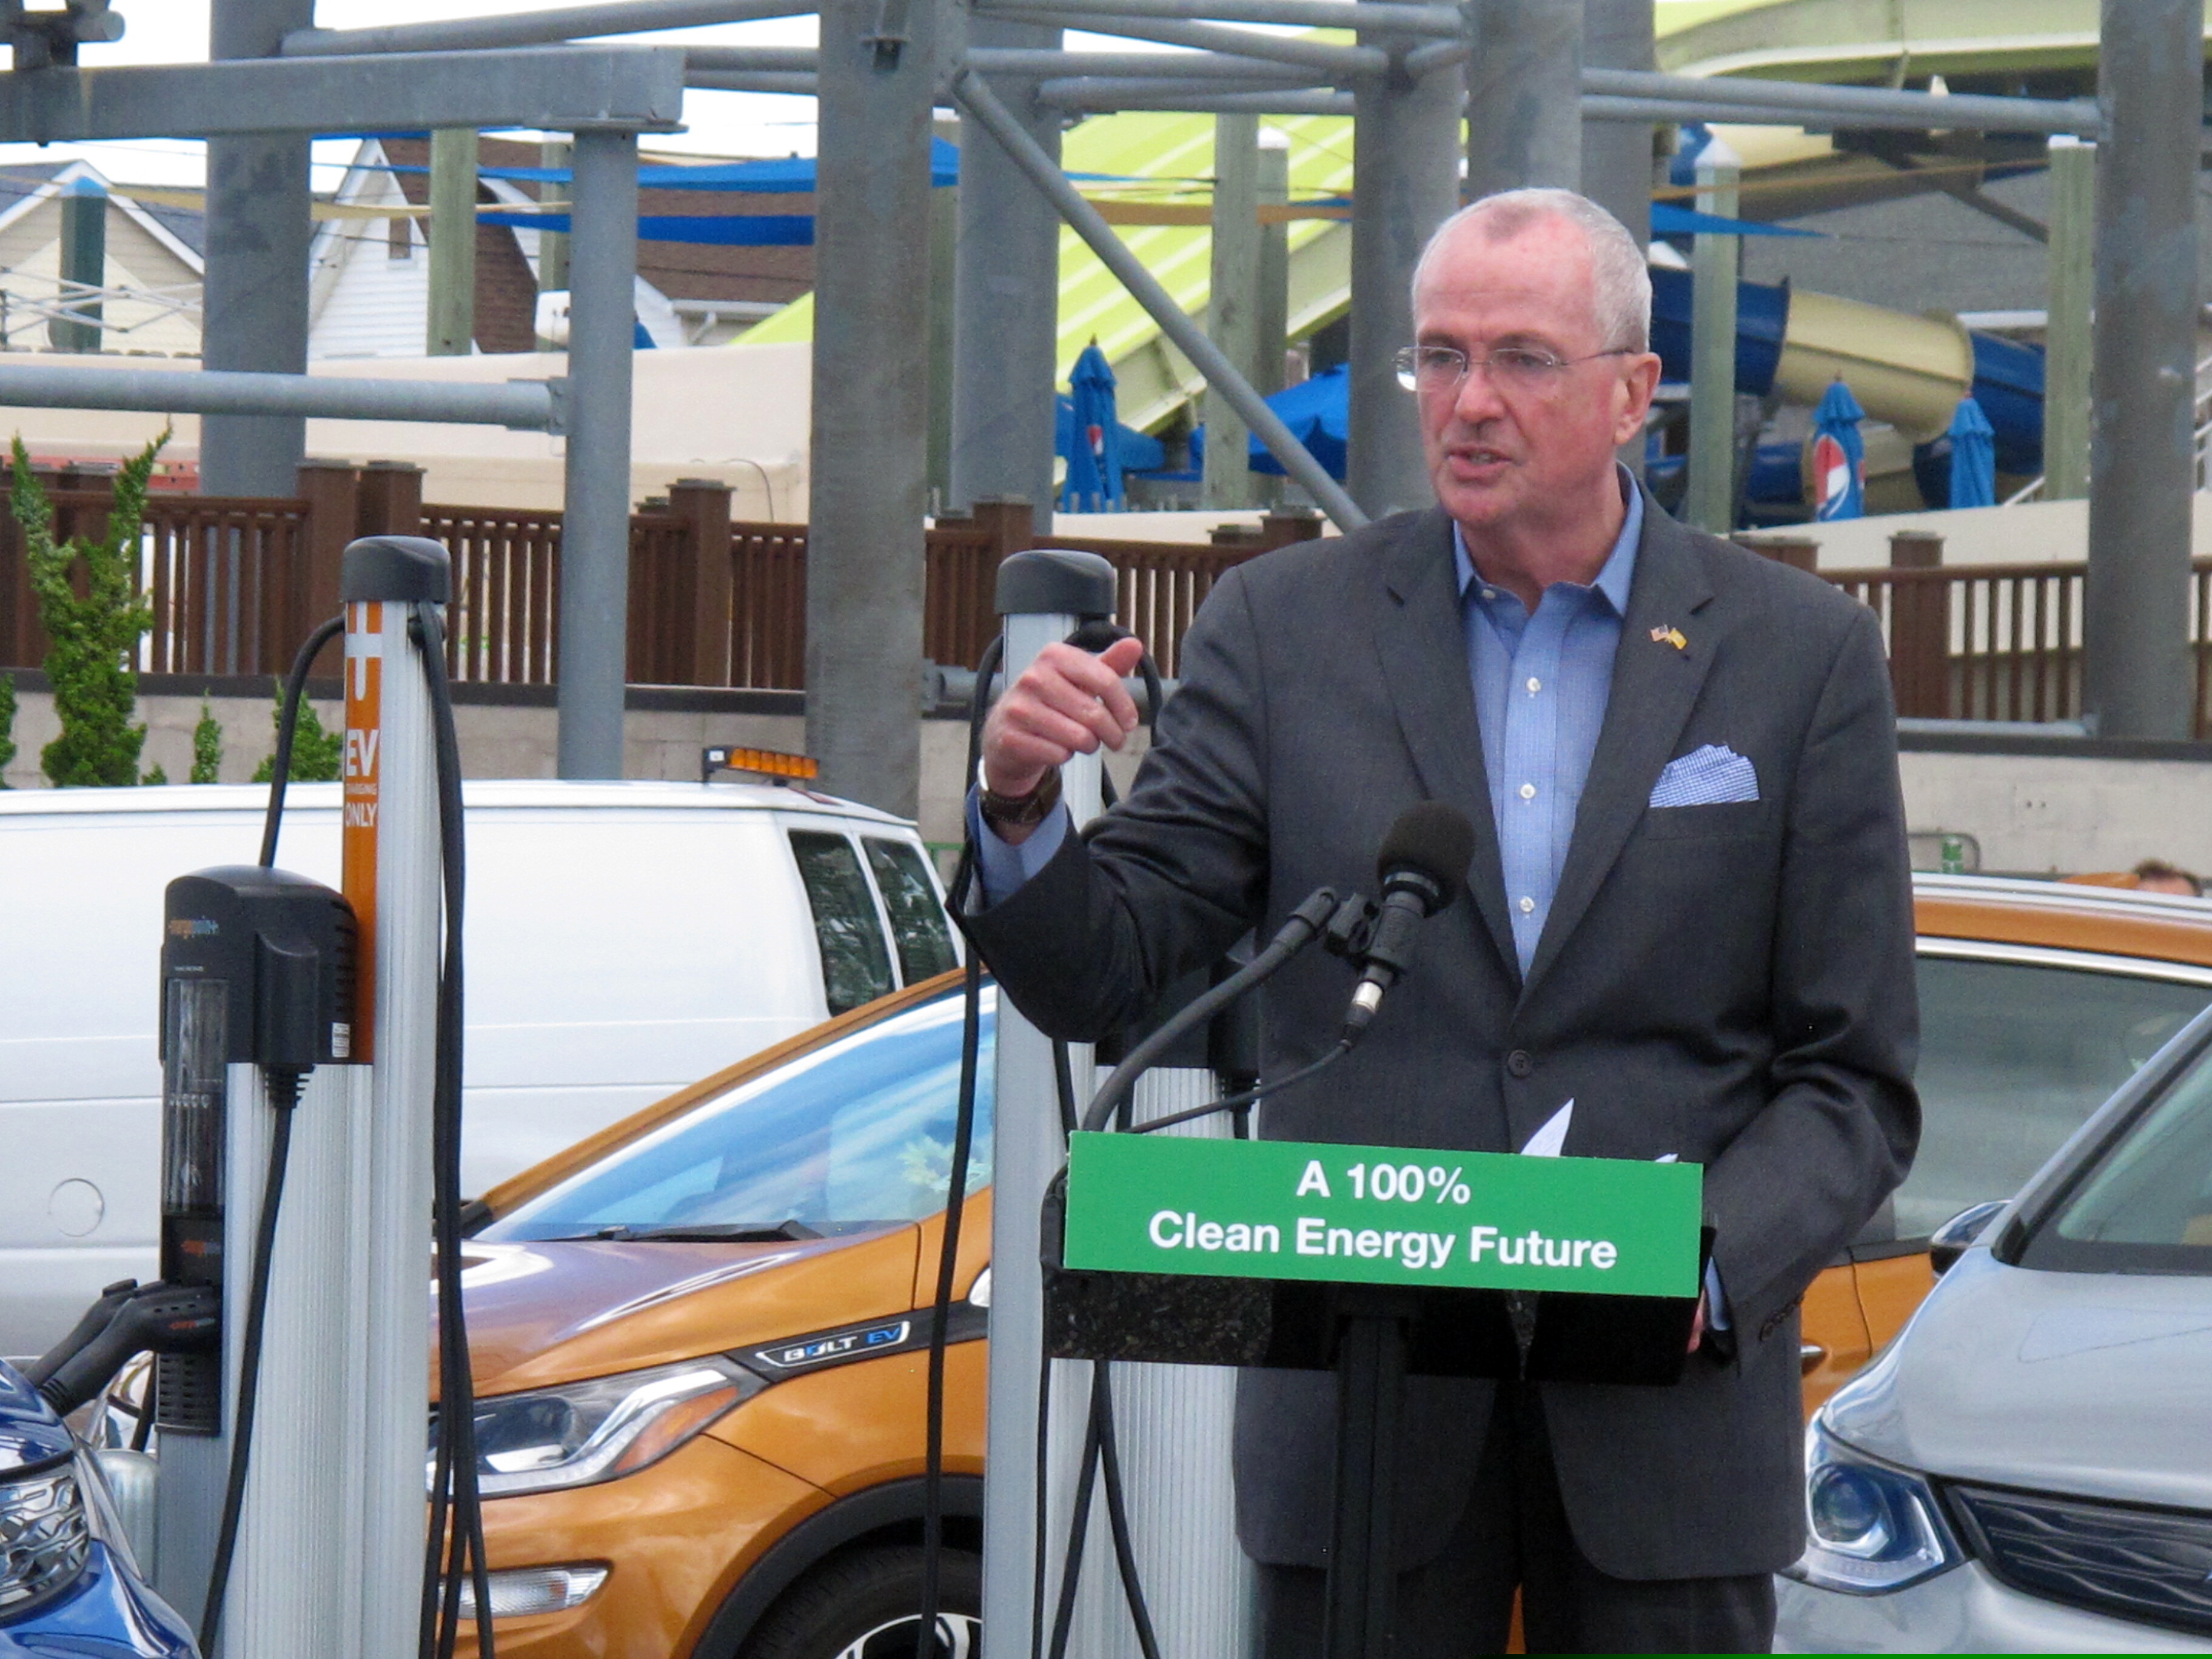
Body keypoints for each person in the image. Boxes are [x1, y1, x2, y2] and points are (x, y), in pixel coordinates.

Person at [961, 189, 1919, 1655]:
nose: (1469, 404)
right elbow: (1117, 966)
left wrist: (1696, 1264)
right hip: (1361, 1437)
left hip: (1662, 1435)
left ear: (1631, 395)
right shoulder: (1287, 630)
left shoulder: (1800, 658)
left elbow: (1852, 1077)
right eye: (1438, 358)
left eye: (1522, 360)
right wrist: (1021, 807)